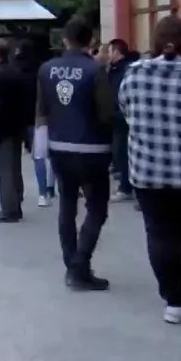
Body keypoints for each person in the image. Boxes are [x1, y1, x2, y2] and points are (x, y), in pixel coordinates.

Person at [38, 17, 115, 291]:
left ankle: (72, 264)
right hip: (93, 149)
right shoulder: (96, 70)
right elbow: (107, 112)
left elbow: (43, 109)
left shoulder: (47, 69)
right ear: (91, 40)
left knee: (67, 206)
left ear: (64, 40)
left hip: (59, 147)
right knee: (96, 207)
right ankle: (80, 264)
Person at [117, 15, 181, 324]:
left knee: (159, 235)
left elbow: (126, 113)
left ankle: (174, 300)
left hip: (148, 172)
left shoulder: (133, 75)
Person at [0, 39, 30, 222]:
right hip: (16, 126)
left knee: (5, 170)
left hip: (2, 128)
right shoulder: (14, 71)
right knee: (14, 167)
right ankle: (16, 200)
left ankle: (9, 209)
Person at [16, 39, 55, 206]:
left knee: (38, 156)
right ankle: (49, 188)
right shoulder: (44, 69)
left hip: (25, 116)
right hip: (44, 115)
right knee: (49, 154)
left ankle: (42, 192)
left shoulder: (15, 69)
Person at [107, 38, 138, 202]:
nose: (108, 55)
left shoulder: (124, 70)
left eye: (110, 51)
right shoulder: (116, 68)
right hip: (119, 115)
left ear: (117, 52)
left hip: (122, 116)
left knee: (123, 151)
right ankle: (126, 183)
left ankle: (126, 187)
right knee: (120, 150)